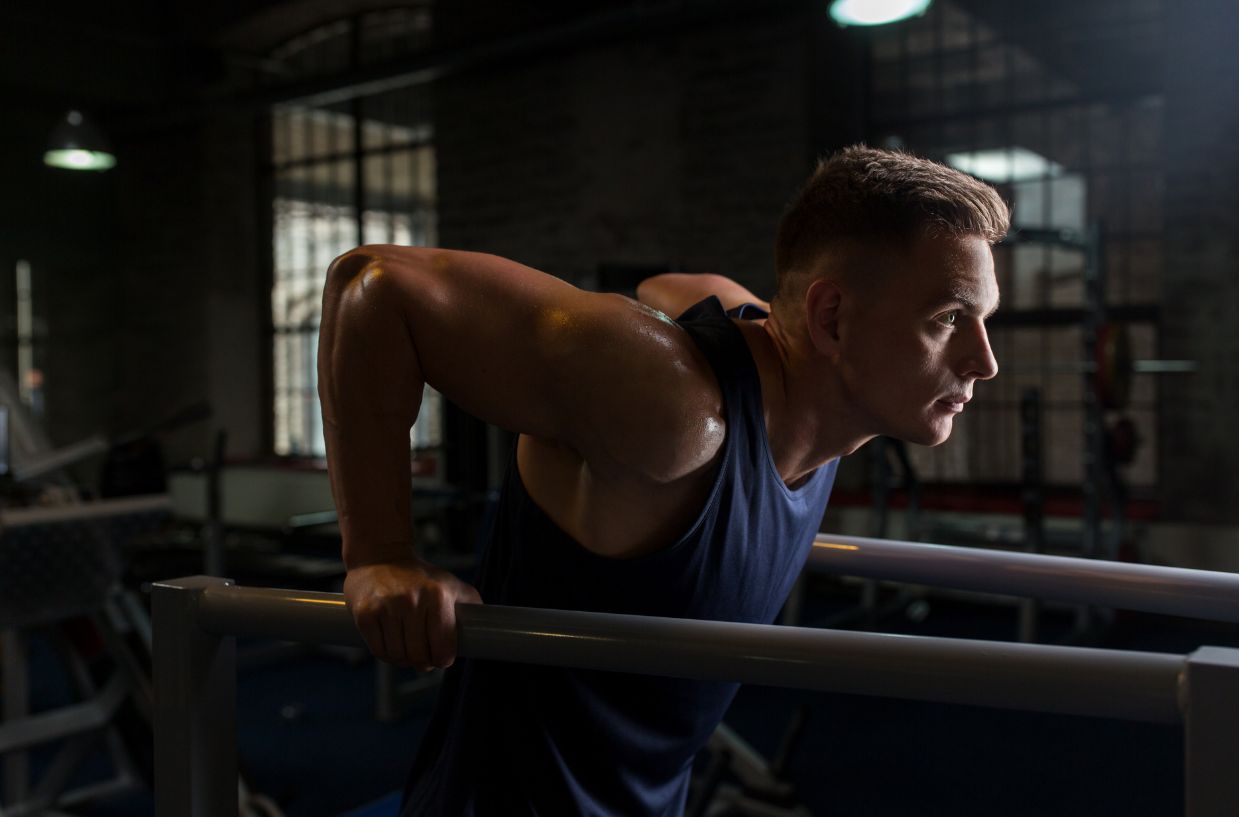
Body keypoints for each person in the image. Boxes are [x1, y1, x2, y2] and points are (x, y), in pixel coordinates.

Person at [317, 145, 1008, 815]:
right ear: (832, 318)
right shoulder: (673, 410)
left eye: (983, 321)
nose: (984, 361)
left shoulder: (818, 399)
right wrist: (380, 555)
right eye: (949, 319)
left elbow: (673, 288)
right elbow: (374, 283)